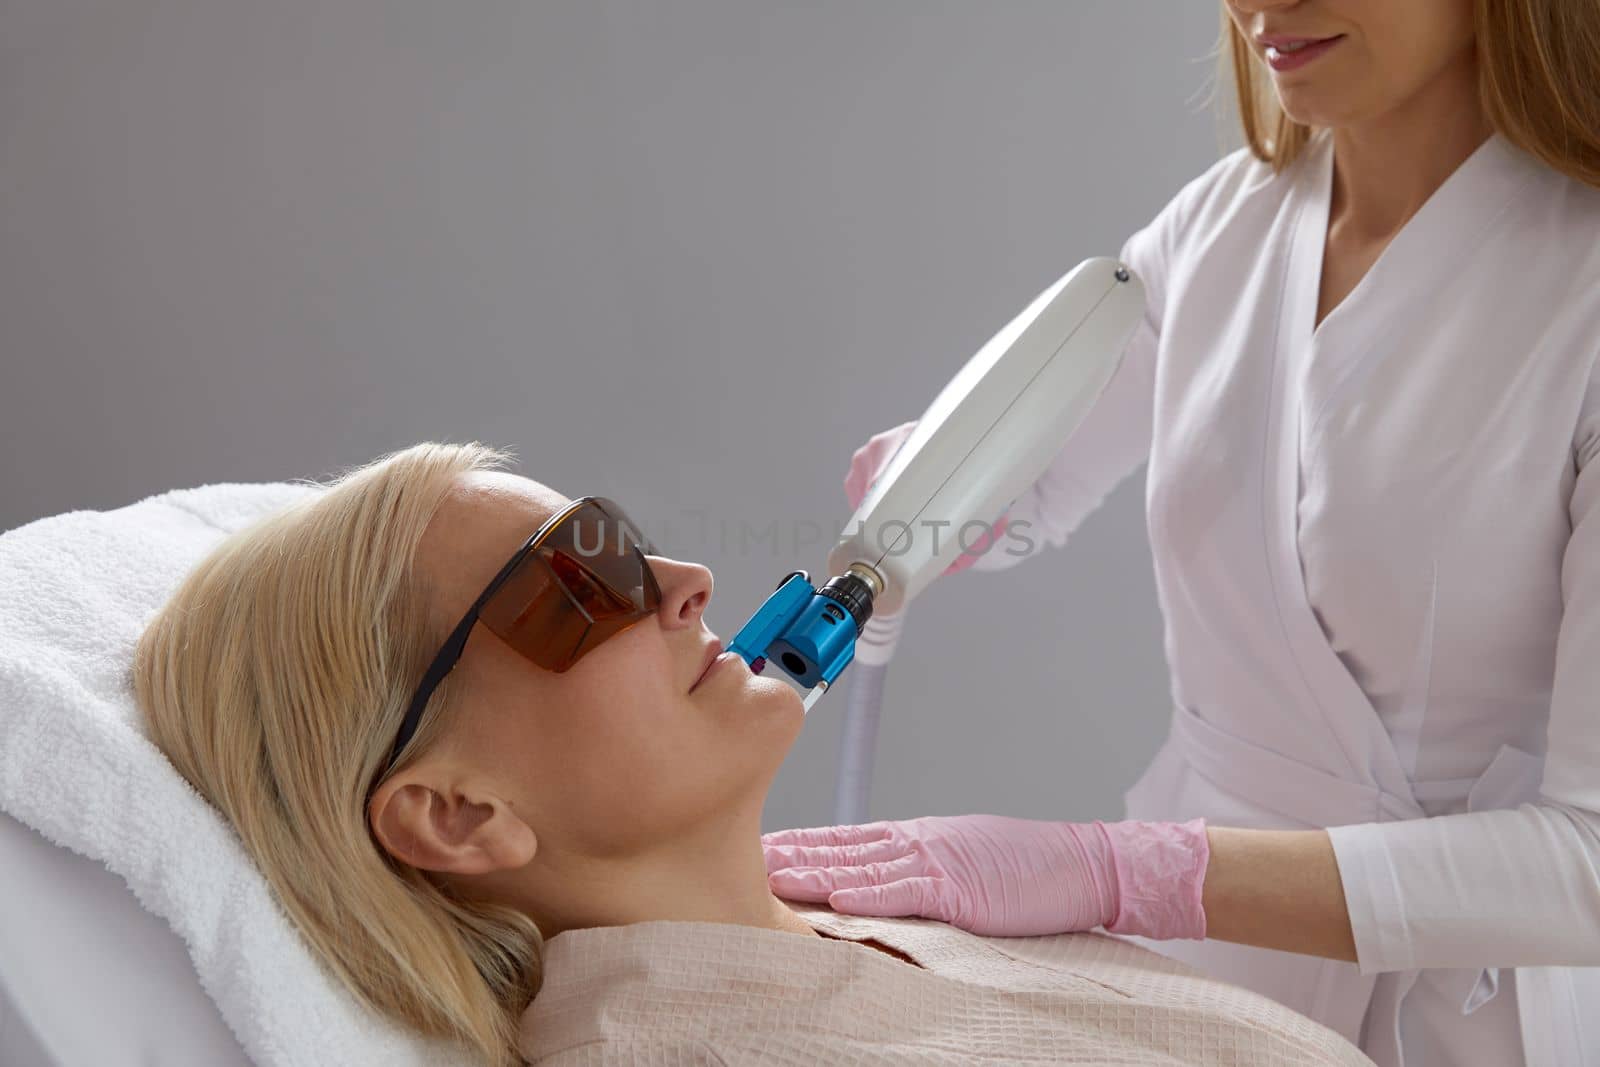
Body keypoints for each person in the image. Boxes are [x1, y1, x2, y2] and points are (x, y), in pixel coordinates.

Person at [763, 1, 1600, 1065]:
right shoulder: (1222, 227)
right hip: (1201, 984)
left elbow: (1591, 862)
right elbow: (1043, 476)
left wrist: (1128, 871)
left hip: (1467, 1003)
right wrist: (943, 497)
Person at [132, 442, 1370, 1066]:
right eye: (576, 584)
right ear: (458, 812)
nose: (682, 581)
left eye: (618, 537)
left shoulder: (875, 913)